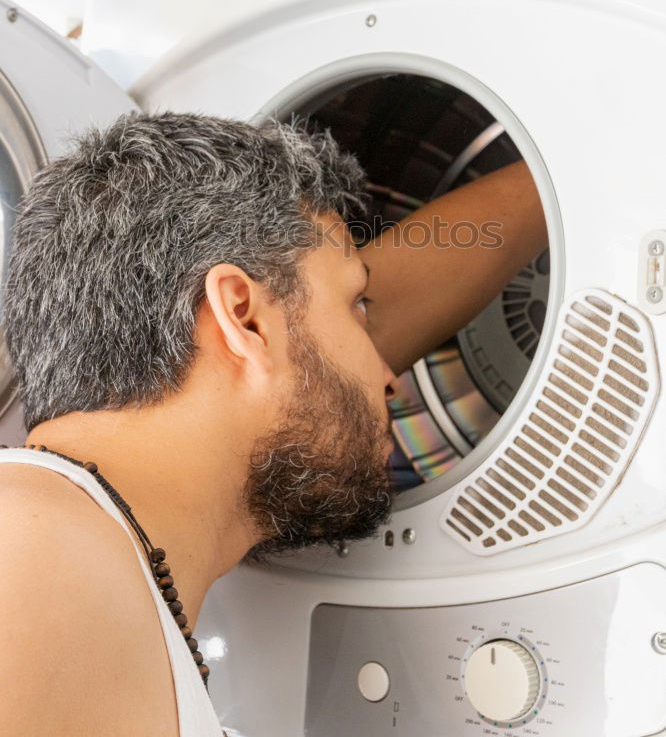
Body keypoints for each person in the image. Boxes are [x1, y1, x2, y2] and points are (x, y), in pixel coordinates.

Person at [0, 112, 547, 736]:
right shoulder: (28, 551)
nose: (390, 377)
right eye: (357, 307)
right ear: (245, 318)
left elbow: (317, 363)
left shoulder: (78, 553)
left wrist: (584, 167)